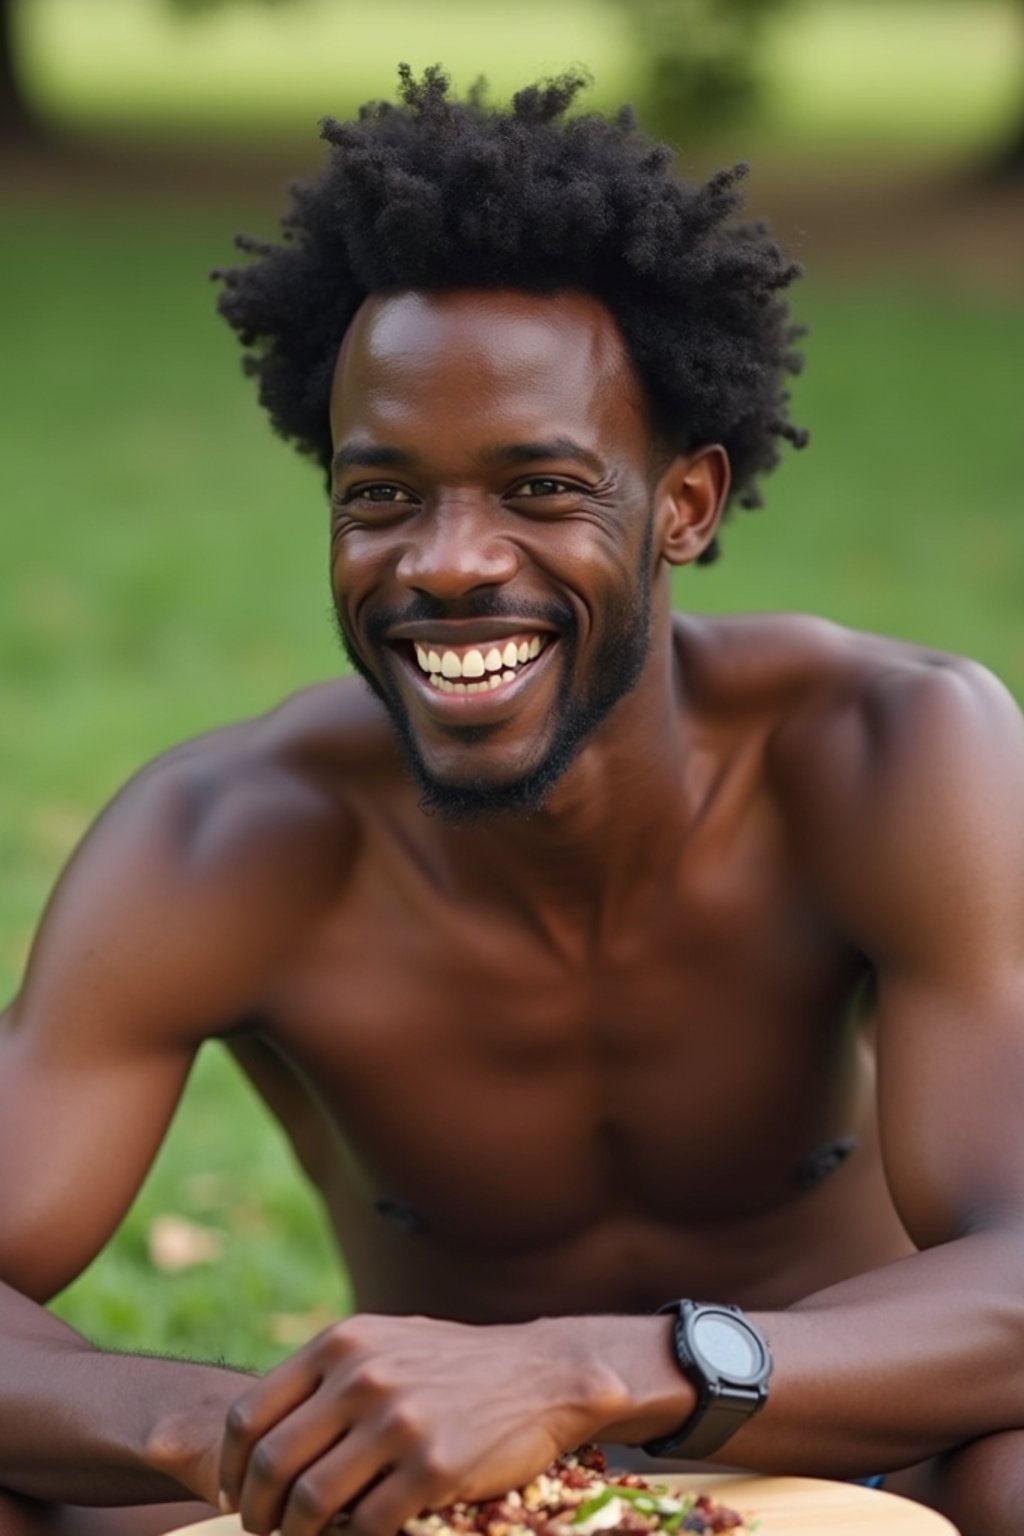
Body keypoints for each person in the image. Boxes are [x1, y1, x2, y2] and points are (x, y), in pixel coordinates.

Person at [1, 64, 1023, 1536]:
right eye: (383, 495)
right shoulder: (226, 840)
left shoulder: (887, 755)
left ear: (685, 505)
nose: (449, 562)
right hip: (405, 1506)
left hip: (831, 1473)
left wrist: (591, 1372)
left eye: (541, 489)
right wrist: (238, 1426)